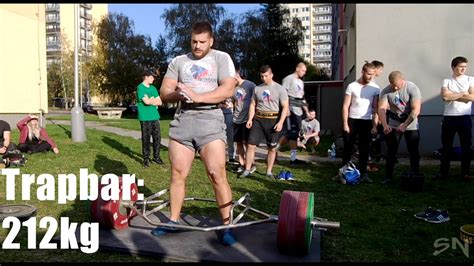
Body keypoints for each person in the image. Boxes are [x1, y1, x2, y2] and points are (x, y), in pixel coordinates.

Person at [153, 21, 237, 245]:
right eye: (194, 41)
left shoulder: (221, 58)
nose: (197, 46)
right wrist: (179, 94)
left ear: (211, 41)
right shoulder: (179, 61)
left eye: (202, 42)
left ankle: (227, 225)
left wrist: (199, 96)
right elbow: (164, 92)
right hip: (184, 119)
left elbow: (228, 89)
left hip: (211, 119)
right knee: (177, 173)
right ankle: (173, 220)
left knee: (216, 173)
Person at [239, 65, 289, 179]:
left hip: (273, 119)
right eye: (261, 76)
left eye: (266, 76)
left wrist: (281, 122)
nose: (263, 78)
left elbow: (285, 106)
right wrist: (250, 119)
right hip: (258, 119)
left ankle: (269, 171)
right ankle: (247, 169)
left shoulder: (279, 89)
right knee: (251, 145)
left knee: (271, 148)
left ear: (271, 75)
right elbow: (252, 104)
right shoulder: (257, 88)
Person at [378, 71, 422, 185]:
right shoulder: (386, 91)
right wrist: (385, 125)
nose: (395, 87)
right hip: (394, 121)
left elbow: (416, 110)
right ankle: (388, 176)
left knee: (413, 150)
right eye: (393, 85)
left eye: (397, 85)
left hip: (410, 121)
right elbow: (381, 109)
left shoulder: (412, 88)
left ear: (403, 80)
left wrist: (405, 125)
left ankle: (415, 174)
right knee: (391, 150)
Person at [436, 56, 474, 181]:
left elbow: (472, 97)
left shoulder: (470, 79)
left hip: (464, 117)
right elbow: (445, 97)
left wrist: (453, 95)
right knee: (446, 147)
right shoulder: (447, 80)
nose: (463, 69)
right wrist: (463, 93)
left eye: (465, 67)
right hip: (449, 118)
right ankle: (444, 173)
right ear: (453, 67)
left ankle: (465, 173)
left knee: (466, 147)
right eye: (460, 67)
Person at [341, 61, 380, 183]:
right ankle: (344, 172)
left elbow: (375, 108)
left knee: (364, 149)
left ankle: (363, 173)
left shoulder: (375, 88)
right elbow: (345, 106)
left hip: (367, 121)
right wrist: (345, 124)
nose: (370, 77)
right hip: (353, 120)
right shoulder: (352, 86)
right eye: (368, 74)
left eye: (373, 74)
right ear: (363, 72)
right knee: (348, 147)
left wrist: (375, 125)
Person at [281, 62, 309, 164]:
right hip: (291, 109)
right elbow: (283, 94)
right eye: (303, 70)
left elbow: (302, 98)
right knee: (291, 134)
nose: (304, 73)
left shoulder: (300, 82)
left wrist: (307, 111)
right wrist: (286, 108)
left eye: (305, 71)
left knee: (294, 134)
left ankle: (293, 158)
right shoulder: (289, 79)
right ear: (297, 68)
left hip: (299, 110)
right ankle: (273, 151)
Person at [137, 69, 163, 168]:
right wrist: (153, 100)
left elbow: (160, 102)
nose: (153, 79)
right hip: (145, 117)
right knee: (146, 138)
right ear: (146, 77)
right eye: (152, 77)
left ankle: (156, 157)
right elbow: (146, 102)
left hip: (155, 116)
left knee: (157, 137)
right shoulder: (140, 88)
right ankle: (146, 159)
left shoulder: (153, 88)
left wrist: (150, 99)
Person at [232, 69, 257, 174]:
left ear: (237, 76)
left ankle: (251, 163)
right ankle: (241, 164)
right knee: (238, 142)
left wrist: (253, 116)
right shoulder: (233, 88)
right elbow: (234, 101)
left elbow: (256, 99)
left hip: (247, 119)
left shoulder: (250, 85)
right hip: (236, 118)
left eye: (233, 77)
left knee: (247, 142)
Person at [220, 97, 235, 163]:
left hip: (229, 114)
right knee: (219, 136)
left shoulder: (233, 90)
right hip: (219, 113)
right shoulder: (218, 89)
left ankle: (231, 156)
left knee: (230, 136)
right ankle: (220, 155)